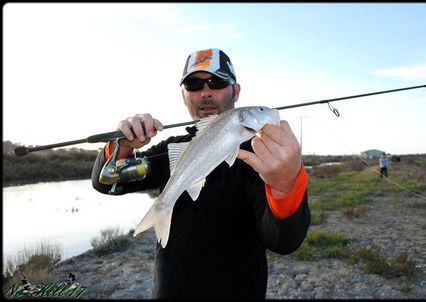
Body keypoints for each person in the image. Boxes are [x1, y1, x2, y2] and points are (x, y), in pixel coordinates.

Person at [91, 48, 310, 299]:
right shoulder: (171, 147)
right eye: (193, 84)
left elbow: (283, 241)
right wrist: (121, 146)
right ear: (184, 95)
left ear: (235, 91)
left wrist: (284, 186)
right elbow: (106, 183)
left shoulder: (262, 157)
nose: (205, 92)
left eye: (216, 82)